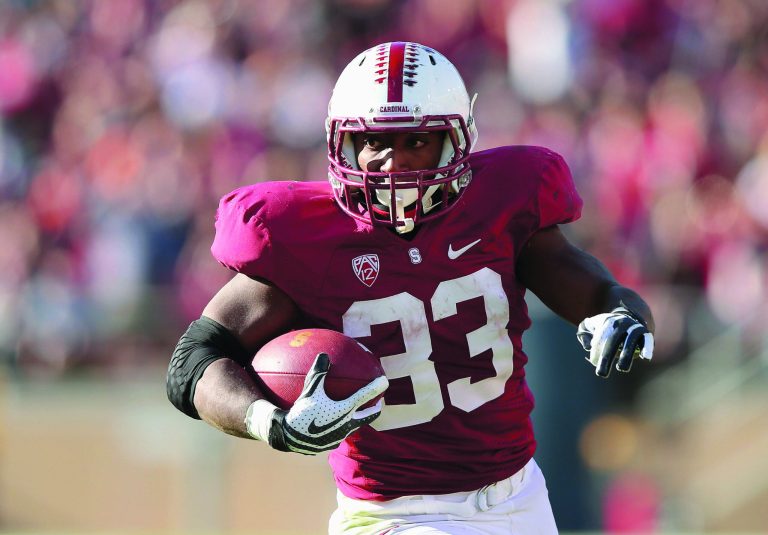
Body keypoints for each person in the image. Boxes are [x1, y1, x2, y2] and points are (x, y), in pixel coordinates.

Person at [166, 41, 655, 534]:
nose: (391, 163)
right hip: (391, 514)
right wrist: (270, 422)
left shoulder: (504, 200)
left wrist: (622, 315)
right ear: (343, 143)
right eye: (374, 141)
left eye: (415, 141)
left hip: (518, 497)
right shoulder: (300, 234)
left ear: (457, 141)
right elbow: (194, 360)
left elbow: (597, 292)